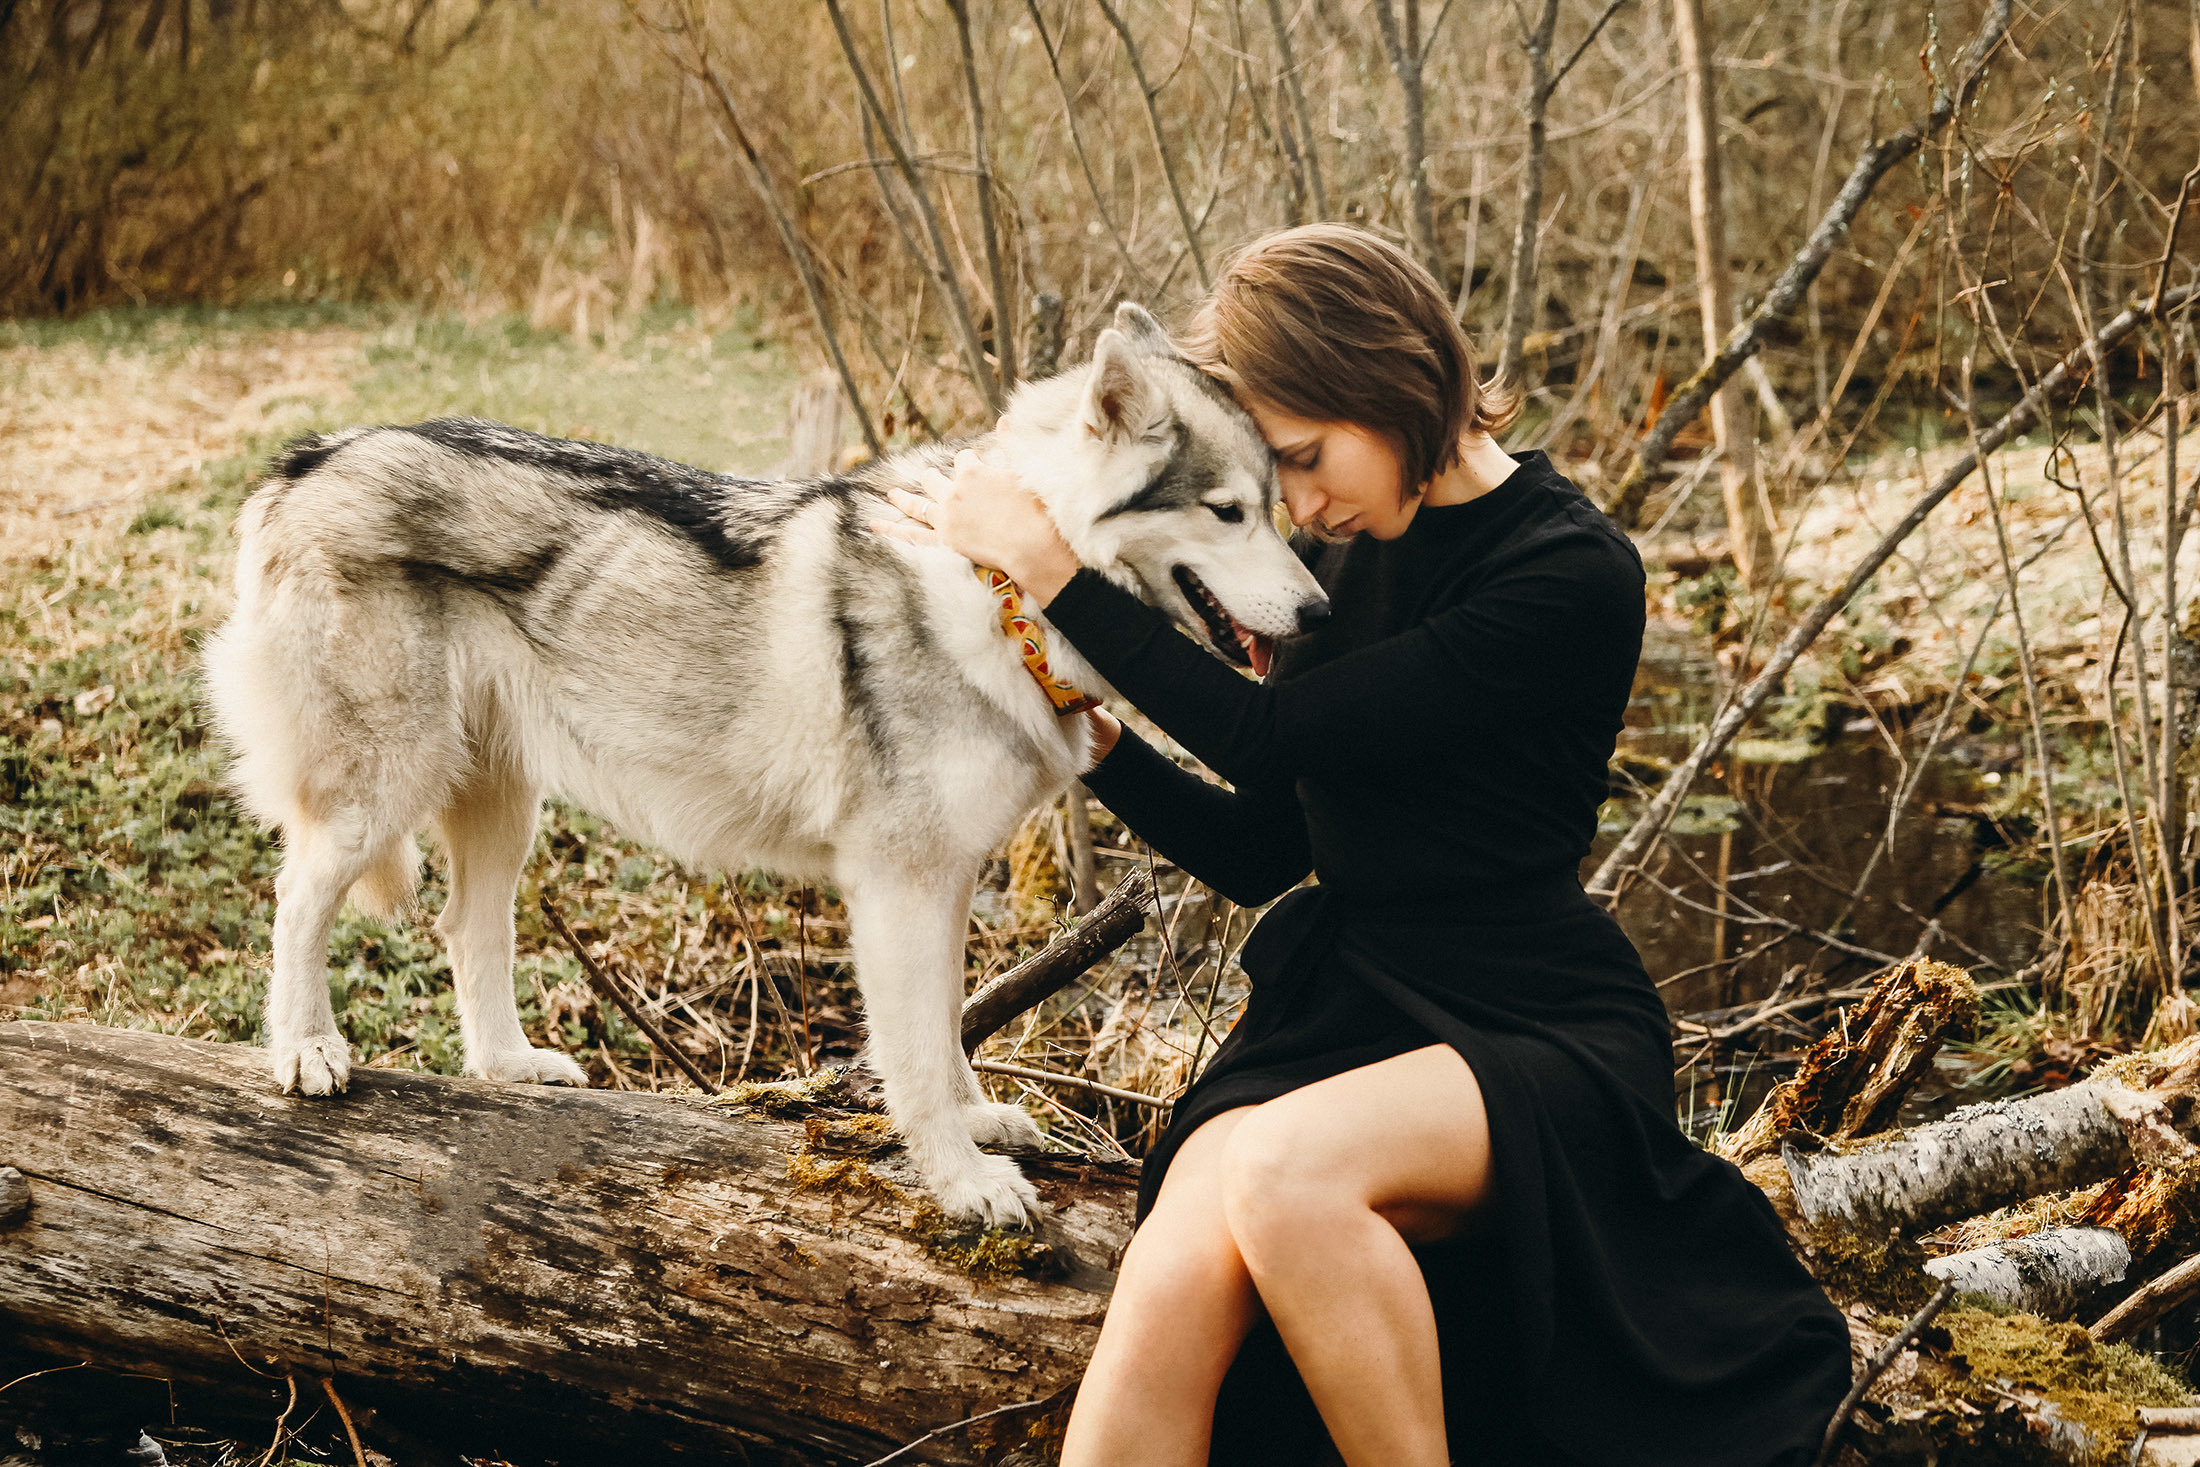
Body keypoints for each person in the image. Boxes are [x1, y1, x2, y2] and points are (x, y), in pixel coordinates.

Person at [874, 223, 1853, 1467]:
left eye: (1306, 456)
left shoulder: (1567, 572)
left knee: (1283, 1171)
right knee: (1173, 1267)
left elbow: (1270, 736)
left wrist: (1050, 571)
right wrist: (1092, 740)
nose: (1302, 502)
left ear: (1389, 383)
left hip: (1532, 1017)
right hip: (1347, 1005)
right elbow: (1260, 850)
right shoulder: (1336, 551)